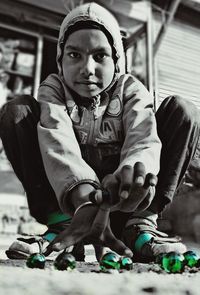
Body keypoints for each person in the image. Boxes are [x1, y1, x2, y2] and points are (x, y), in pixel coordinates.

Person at [0, 2, 199, 262]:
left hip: (127, 202)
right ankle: (61, 225)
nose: (87, 68)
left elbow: (143, 138)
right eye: (74, 55)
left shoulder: (130, 89)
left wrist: (134, 181)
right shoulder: (53, 89)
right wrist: (85, 203)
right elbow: (57, 140)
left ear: (116, 60)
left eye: (100, 56)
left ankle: (139, 227)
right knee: (15, 112)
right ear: (60, 59)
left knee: (184, 111)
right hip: (74, 206)